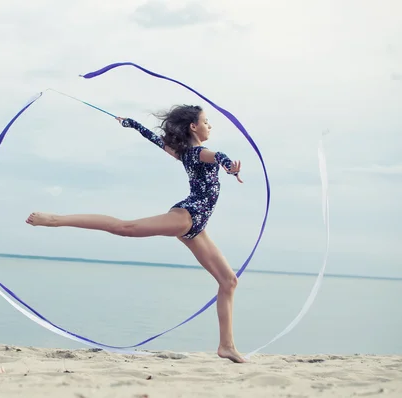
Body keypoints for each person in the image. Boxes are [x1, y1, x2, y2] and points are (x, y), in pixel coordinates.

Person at [26, 104, 246, 363]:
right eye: (206, 121)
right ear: (193, 127)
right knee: (125, 228)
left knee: (229, 281)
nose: (210, 126)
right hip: (186, 218)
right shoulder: (198, 152)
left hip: (197, 227)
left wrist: (132, 124)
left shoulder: (185, 152)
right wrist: (230, 166)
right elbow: (218, 156)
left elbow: (154, 139)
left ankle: (226, 346)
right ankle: (55, 219)